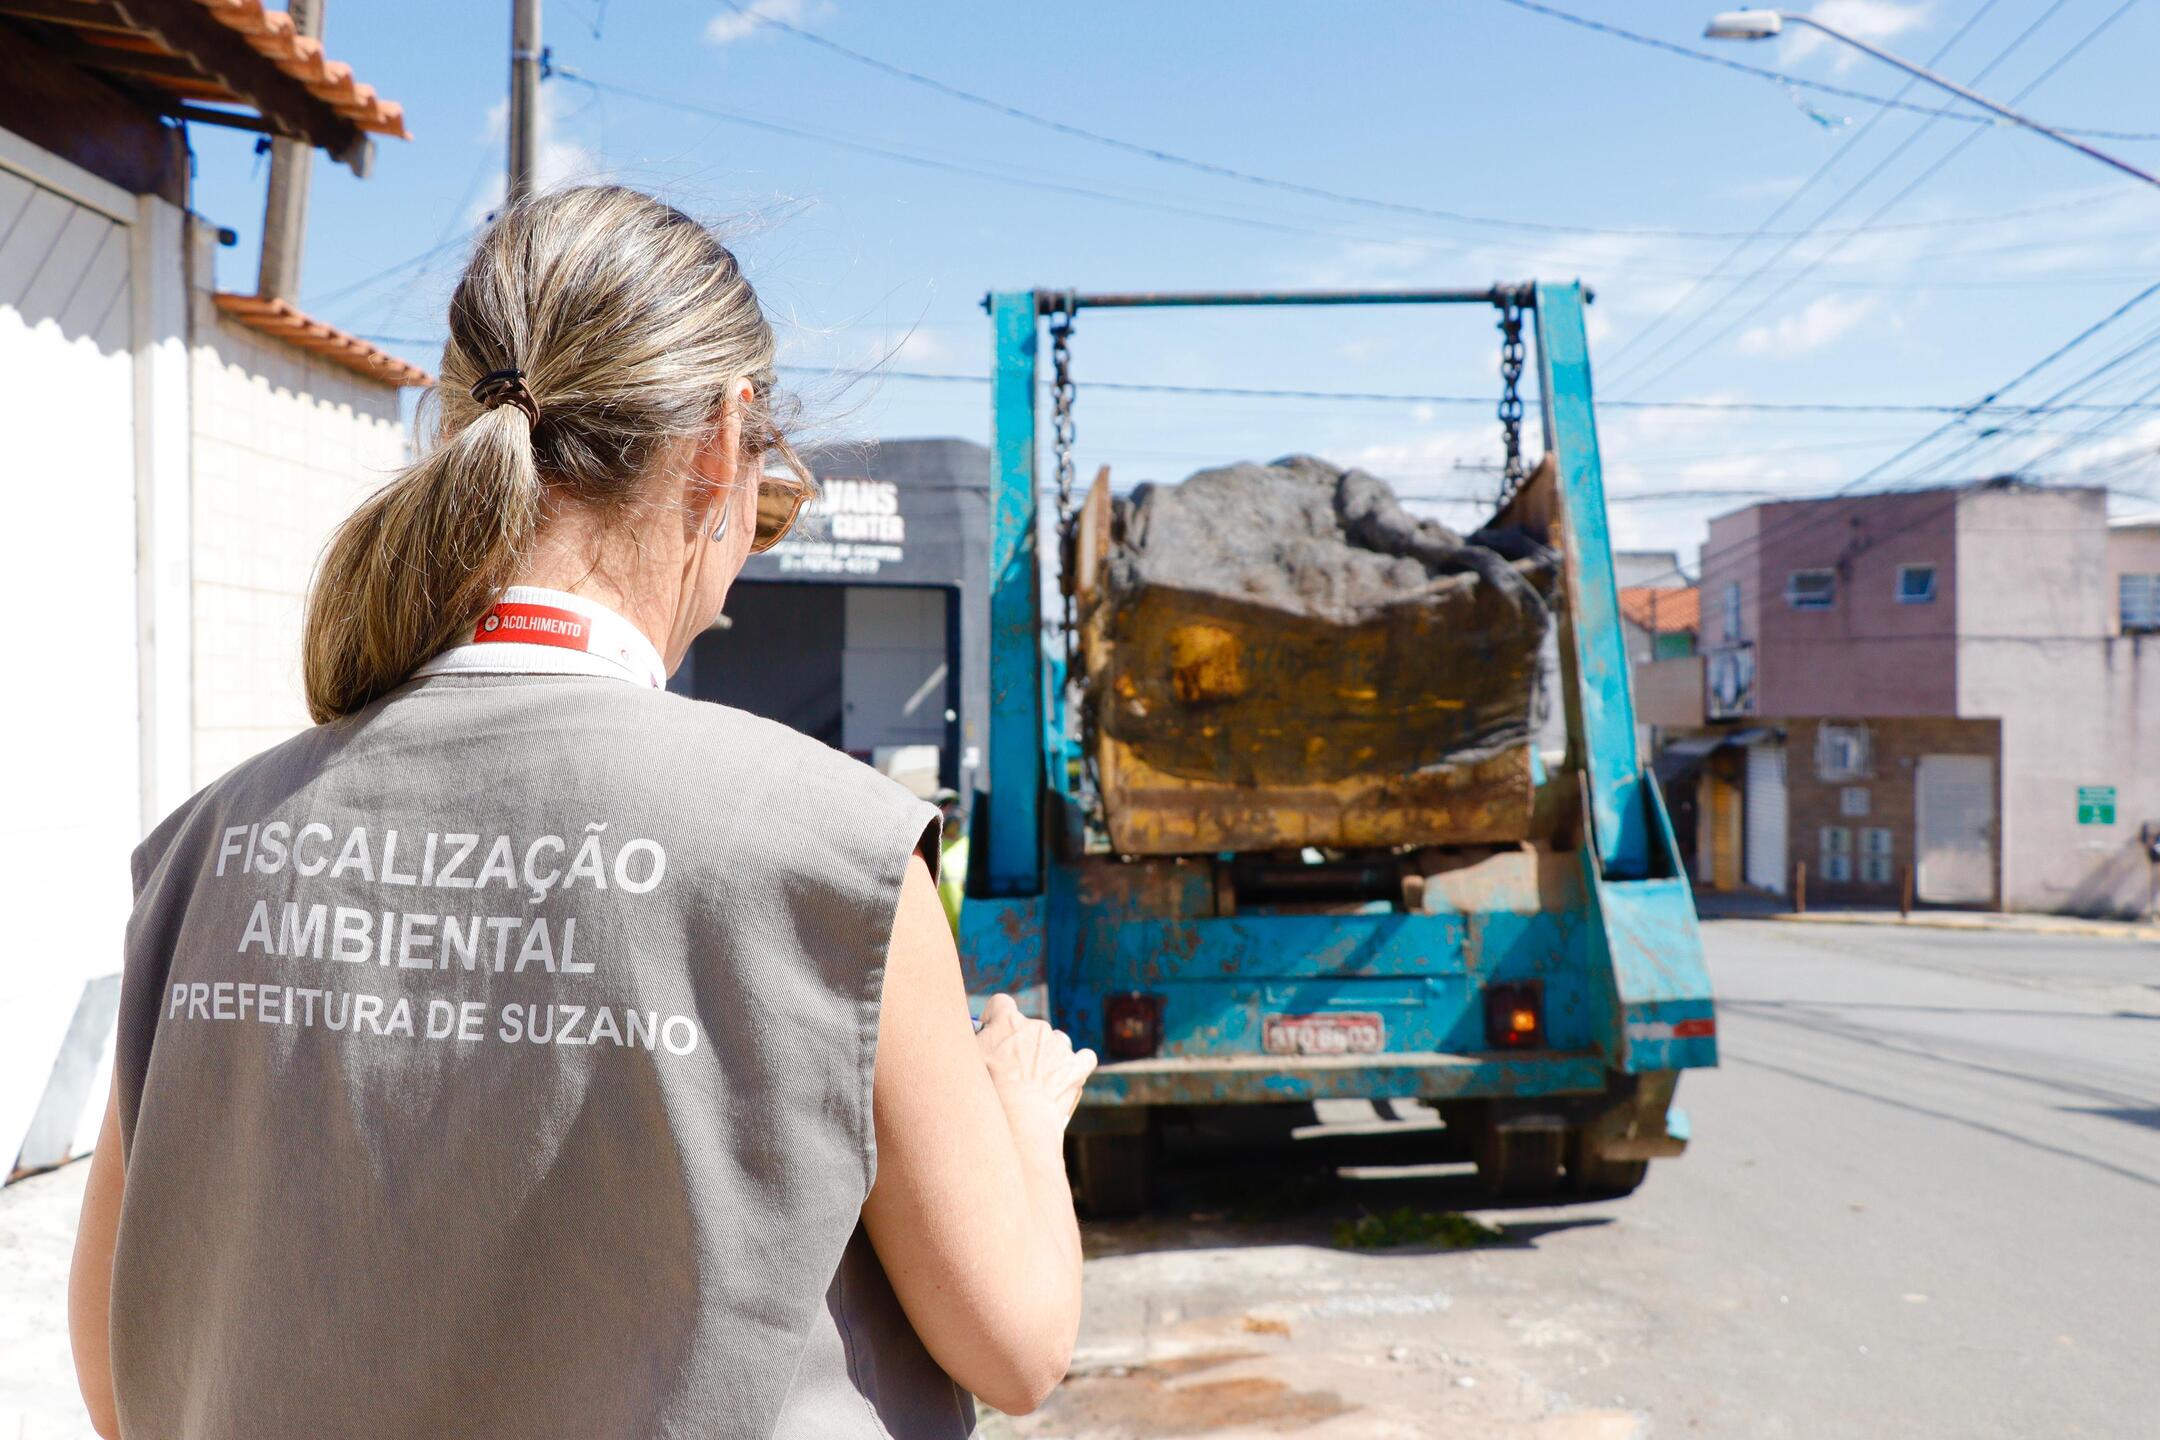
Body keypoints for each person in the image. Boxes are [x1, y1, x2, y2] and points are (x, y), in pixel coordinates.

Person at [67, 185, 1095, 1439]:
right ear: (721, 443)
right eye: (766, 491)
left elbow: (119, 1375)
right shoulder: (834, 857)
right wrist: (1020, 1117)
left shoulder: (203, 851)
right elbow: (1020, 1347)